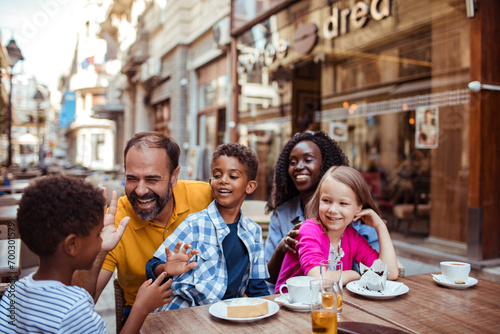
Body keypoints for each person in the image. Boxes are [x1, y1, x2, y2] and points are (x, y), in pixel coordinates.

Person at [0, 175, 171, 333]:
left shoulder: (14, 292)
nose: (101, 242)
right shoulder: (74, 312)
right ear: (72, 245)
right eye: (98, 235)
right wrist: (140, 308)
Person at [72, 132, 213, 321]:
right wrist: (96, 249)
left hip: (203, 312)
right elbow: (79, 305)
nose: (140, 190)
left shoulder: (205, 196)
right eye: (131, 178)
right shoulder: (114, 221)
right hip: (143, 319)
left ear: (174, 176)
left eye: (152, 179)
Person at [146, 143, 269, 310]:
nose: (223, 180)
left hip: (227, 314)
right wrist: (167, 269)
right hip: (184, 311)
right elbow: (152, 265)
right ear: (211, 182)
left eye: (233, 176)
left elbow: (257, 287)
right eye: (217, 175)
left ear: (250, 186)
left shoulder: (253, 232)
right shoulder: (194, 224)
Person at [264, 131, 379, 292]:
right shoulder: (283, 214)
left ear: (325, 165)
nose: (299, 166)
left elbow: (378, 270)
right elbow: (266, 276)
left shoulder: (354, 216)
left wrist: (380, 227)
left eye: (308, 159)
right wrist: (281, 248)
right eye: (292, 162)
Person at [275, 166, 399, 292]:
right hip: (291, 305)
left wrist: (380, 226)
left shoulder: (352, 237)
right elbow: (318, 280)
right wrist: (352, 275)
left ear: (358, 208)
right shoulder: (309, 230)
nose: (333, 210)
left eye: (343, 203)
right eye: (326, 200)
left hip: (327, 305)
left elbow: (389, 274)